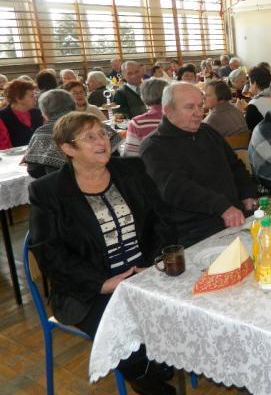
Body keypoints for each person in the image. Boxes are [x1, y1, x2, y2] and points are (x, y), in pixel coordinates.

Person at [29, 112, 177, 395]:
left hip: (145, 272)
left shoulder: (131, 169)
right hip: (89, 288)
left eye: (102, 133)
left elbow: (162, 219)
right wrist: (102, 283)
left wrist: (153, 264)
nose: (102, 141)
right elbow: (49, 254)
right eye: (90, 137)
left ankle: (158, 361)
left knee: (190, 310)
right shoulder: (48, 191)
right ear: (68, 148)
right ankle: (152, 382)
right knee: (124, 339)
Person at [140, 82, 257, 247]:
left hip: (235, 215)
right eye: (190, 107)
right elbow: (176, 189)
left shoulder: (208, 132)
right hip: (195, 229)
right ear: (168, 110)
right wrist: (222, 207)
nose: (199, 112)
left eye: (200, 105)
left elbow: (235, 165)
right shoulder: (154, 147)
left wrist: (247, 193)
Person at [24, 89, 76, 178]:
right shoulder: (91, 123)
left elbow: (33, 170)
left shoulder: (42, 132)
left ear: (45, 112)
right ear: (73, 106)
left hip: (65, 183)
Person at [123, 78, 168, 156]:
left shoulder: (138, 123)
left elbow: (130, 155)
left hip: (147, 162)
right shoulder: (180, 118)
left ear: (143, 96)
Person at [0, 78, 43, 149]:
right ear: (18, 98)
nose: (36, 98)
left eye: (35, 94)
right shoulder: (2, 117)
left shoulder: (37, 112)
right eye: (32, 96)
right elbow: (3, 147)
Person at [245, 65, 271, 131]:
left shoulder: (254, 104)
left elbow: (249, 129)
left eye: (250, 82)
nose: (249, 85)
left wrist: (241, 112)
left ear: (254, 83)